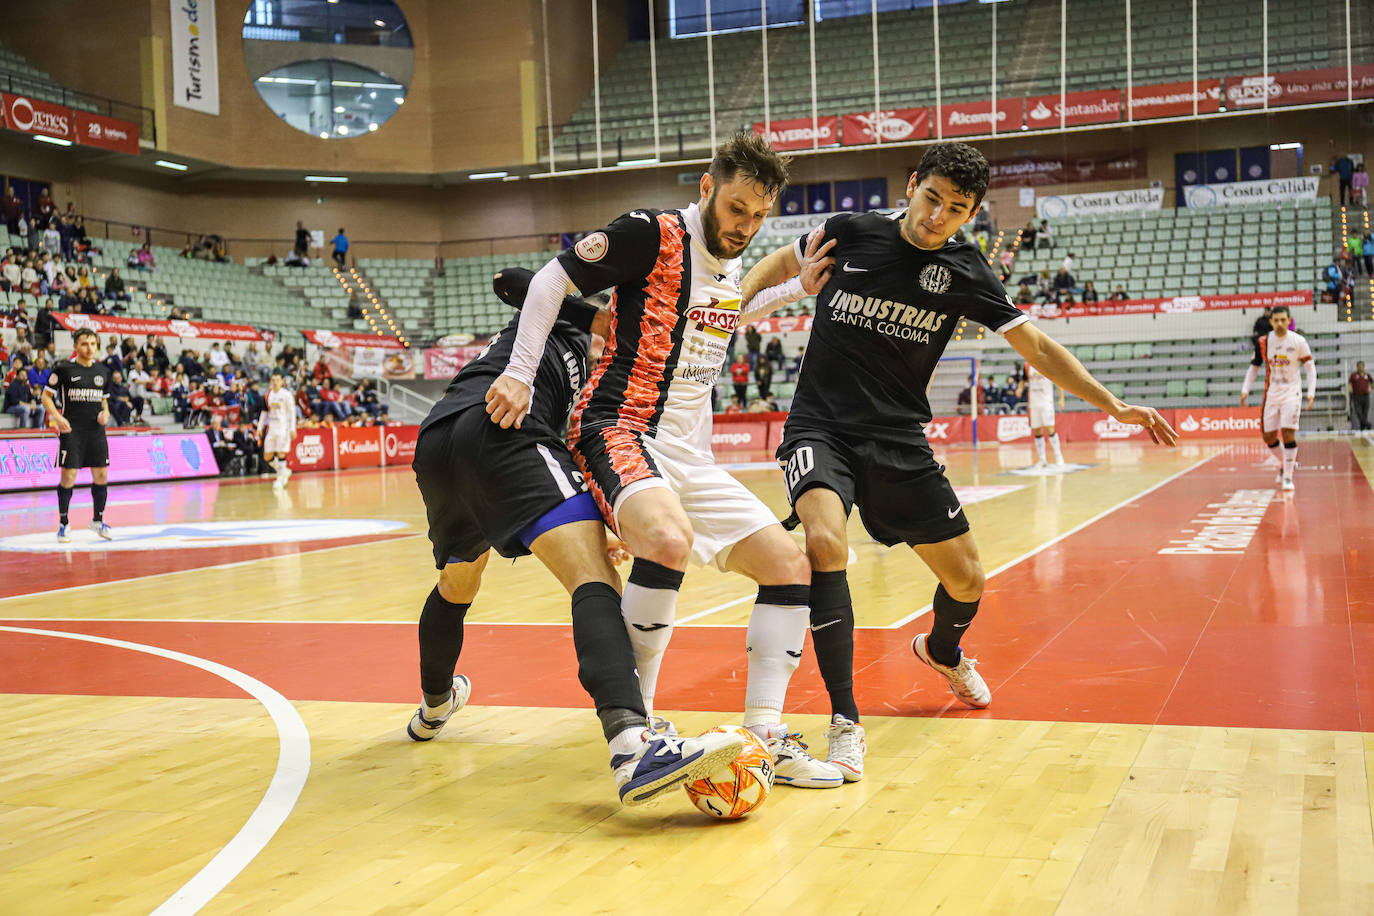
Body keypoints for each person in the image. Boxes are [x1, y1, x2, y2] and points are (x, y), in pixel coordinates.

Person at [740, 142, 1178, 779]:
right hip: (820, 427)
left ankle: (942, 651)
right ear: (911, 185)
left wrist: (1113, 404)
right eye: (931, 198)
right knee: (825, 544)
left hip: (898, 439)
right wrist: (730, 300)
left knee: (969, 581)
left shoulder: (966, 269)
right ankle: (845, 722)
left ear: (972, 214)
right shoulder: (852, 231)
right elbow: (781, 260)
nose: (937, 216)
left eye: (955, 208)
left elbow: (1037, 347)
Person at [484, 131, 846, 789]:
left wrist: (794, 288)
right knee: (668, 541)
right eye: (736, 209)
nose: (745, 226)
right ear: (707, 187)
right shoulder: (651, 233)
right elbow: (551, 280)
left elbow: (722, 313)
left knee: (790, 565)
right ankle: (639, 732)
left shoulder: (728, 259)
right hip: (619, 427)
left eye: (759, 216)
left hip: (690, 452)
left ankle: (767, 734)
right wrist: (518, 372)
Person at [413, 266, 747, 807]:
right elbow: (508, 279)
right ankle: (633, 748)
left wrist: (599, 518)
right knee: (594, 577)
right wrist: (598, 317)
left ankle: (434, 705)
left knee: (457, 584)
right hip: (501, 427)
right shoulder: (555, 316)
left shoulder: (603, 373)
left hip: (440, 443)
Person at [40, 328, 115, 542]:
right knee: (68, 477)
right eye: (84, 344)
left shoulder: (103, 371)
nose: (89, 348)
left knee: (101, 475)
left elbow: (104, 399)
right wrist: (57, 417)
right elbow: (46, 397)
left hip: (96, 431)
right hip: (72, 431)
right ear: (75, 346)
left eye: (92, 344)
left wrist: (106, 413)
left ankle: (97, 521)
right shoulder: (64, 369)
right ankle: (63, 524)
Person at [1241, 305, 1314, 492]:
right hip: (1272, 394)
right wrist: (1245, 389)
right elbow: (1254, 367)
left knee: (1288, 432)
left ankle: (1288, 476)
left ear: (1289, 320)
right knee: (1268, 437)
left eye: (1283, 320)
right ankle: (1285, 463)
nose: (1280, 323)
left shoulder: (1298, 341)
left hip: (1292, 392)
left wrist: (1311, 392)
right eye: (1276, 320)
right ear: (1271, 322)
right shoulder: (1264, 342)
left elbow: (1310, 367)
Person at [1023, 362, 1067, 467]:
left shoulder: (1048, 364)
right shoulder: (1027, 365)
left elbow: (1058, 382)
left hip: (1046, 402)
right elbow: (1023, 380)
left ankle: (1058, 456)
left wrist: (1061, 398)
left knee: (1050, 429)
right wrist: (1020, 388)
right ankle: (1042, 459)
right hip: (1034, 403)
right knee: (1037, 431)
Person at [260, 372, 297, 489]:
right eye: (273, 380)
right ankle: (284, 471)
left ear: (282, 382)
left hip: (283, 428)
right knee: (267, 456)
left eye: (277, 380)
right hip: (272, 428)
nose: (275, 382)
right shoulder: (268, 395)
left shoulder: (287, 395)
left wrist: (292, 429)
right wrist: (260, 427)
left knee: (281, 453)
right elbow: (264, 412)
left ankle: (280, 479)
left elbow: (292, 413)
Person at [1350, 360, 1371, 431]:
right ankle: (1367, 424)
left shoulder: (1367, 375)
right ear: (1357, 367)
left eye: (1361, 366)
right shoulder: (1353, 375)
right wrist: (1349, 392)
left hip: (1366, 396)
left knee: (1365, 413)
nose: (1360, 368)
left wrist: (1370, 388)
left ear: (1364, 367)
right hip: (1356, 396)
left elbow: (1372, 382)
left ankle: (1362, 428)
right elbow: (1349, 384)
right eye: (1359, 367)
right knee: (1358, 412)